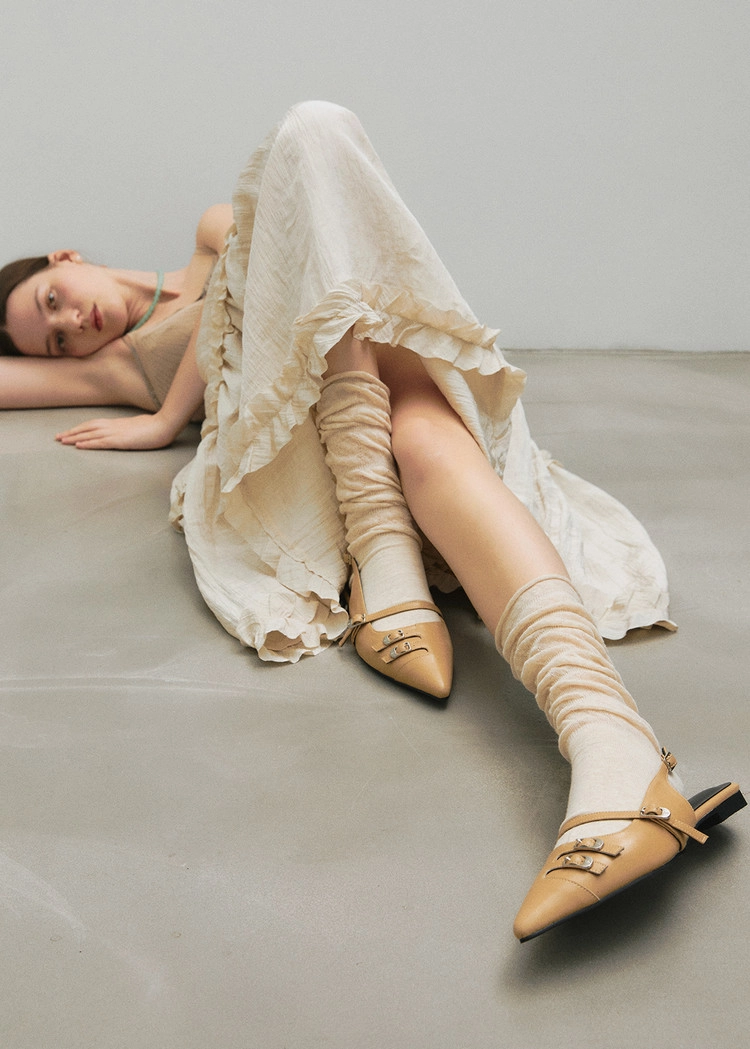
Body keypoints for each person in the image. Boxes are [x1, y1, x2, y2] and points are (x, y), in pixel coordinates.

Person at [1, 101, 744, 941]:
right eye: (53, 338)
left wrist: (169, 416)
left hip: (383, 369)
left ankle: (600, 732)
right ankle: (602, 736)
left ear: (66, 258)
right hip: (299, 451)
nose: (70, 323)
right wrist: (161, 413)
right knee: (314, 138)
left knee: (315, 145)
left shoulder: (216, 234)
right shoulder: (113, 369)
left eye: (54, 298)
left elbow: (276, 268)